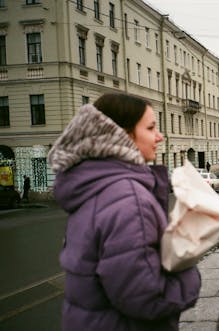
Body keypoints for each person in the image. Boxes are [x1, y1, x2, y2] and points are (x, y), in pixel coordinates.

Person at [48, 93, 201, 331]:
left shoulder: (94, 187)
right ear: (123, 135)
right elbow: (147, 299)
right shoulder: (128, 198)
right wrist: (188, 269)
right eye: (150, 128)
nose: (159, 137)